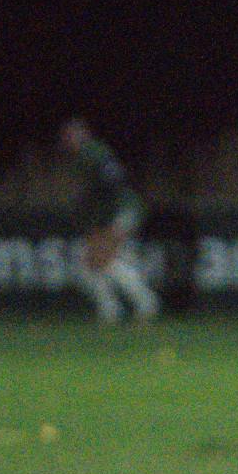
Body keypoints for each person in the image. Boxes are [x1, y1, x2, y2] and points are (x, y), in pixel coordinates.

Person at [61, 117, 159, 324]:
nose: (69, 139)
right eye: (67, 135)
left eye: (73, 134)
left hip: (122, 211)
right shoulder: (80, 159)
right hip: (107, 215)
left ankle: (145, 304)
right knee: (89, 265)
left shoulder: (94, 152)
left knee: (105, 259)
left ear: (83, 134)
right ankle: (113, 309)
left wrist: (105, 227)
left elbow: (113, 180)